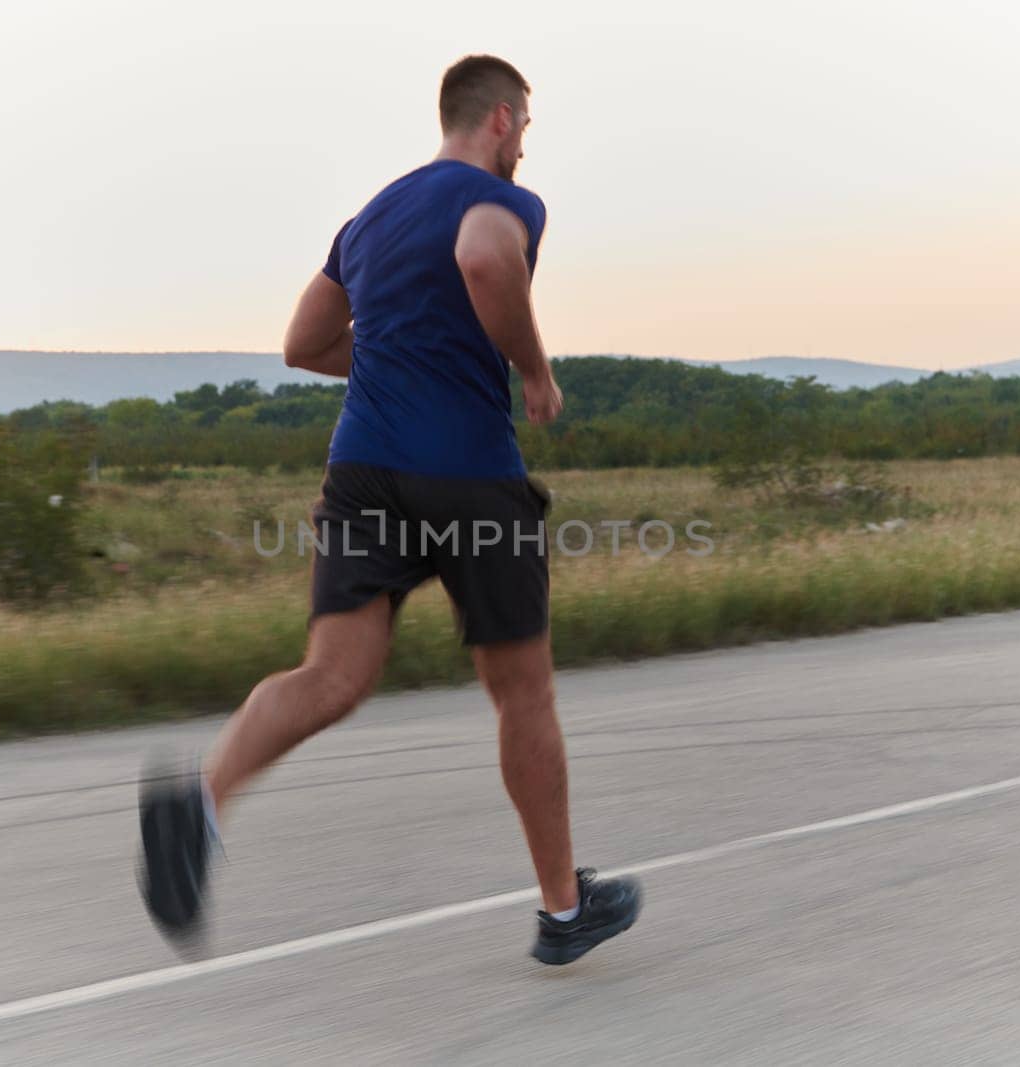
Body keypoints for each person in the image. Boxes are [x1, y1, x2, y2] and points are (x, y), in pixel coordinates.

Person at [138, 54, 641, 966]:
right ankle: (565, 913)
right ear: (499, 118)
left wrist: (392, 364)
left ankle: (201, 802)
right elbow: (486, 258)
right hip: (469, 475)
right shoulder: (503, 200)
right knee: (521, 690)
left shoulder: (367, 217)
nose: (525, 142)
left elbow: (303, 343)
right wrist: (533, 367)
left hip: (363, 470)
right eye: (525, 125)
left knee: (332, 675)